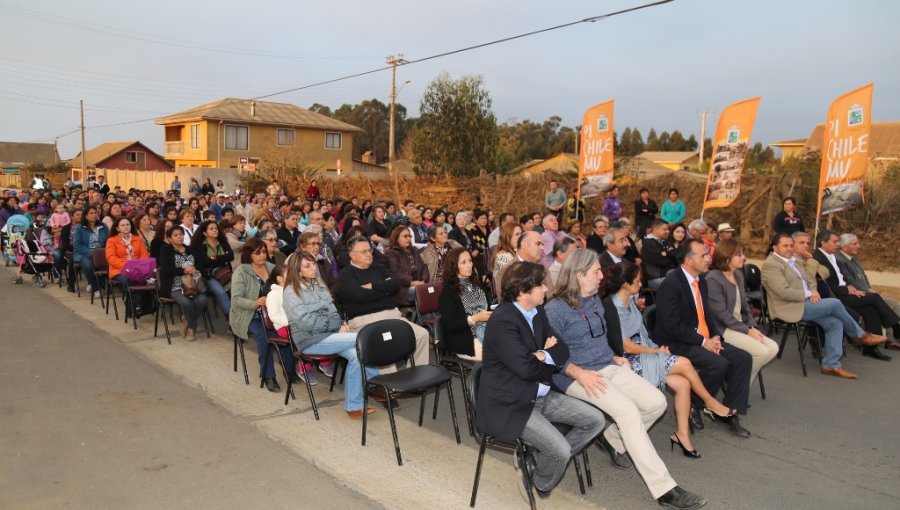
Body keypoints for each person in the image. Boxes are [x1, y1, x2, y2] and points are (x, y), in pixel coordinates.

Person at [542, 253, 708, 509]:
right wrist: (577, 373)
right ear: (579, 275)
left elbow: (601, 338)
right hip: (577, 376)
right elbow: (547, 354)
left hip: (607, 365)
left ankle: (611, 438)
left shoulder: (595, 301)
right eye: (596, 272)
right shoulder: (555, 309)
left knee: (656, 403)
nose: (601, 276)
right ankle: (665, 489)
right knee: (629, 413)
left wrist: (615, 357)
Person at [476, 261, 607, 502]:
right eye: (541, 285)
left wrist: (540, 355)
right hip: (513, 401)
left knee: (596, 421)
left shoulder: (538, 312)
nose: (547, 289)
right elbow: (526, 369)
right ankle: (538, 478)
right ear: (523, 290)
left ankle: (536, 463)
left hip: (542, 394)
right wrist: (544, 354)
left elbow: (563, 351)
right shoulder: (503, 321)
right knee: (561, 451)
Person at [602, 260, 735, 459]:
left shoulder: (629, 300)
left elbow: (640, 332)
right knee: (685, 363)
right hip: (629, 359)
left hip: (644, 350)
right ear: (625, 284)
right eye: (637, 281)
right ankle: (710, 403)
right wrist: (653, 352)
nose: (641, 284)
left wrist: (654, 348)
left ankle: (682, 434)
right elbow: (625, 346)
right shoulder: (611, 307)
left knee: (682, 384)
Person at [654, 239, 753, 436]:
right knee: (718, 363)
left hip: (702, 339)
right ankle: (696, 405)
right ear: (689, 260)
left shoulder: (701, 281)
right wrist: (703, 342)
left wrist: (715, 337)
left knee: (743, 358)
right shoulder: (671, 284)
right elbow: (671, 326)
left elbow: (707, 316)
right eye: (704, 255)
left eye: (708, 254)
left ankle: (729, 411)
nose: (709, 258)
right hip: (676, 342)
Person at [760, 233, 883, 379]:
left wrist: (812, 290)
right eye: (785, 246)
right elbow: (782, 292)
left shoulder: (794, 260)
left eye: (791, 245)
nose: (789, 248)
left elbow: (810, 279)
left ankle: (831, 364)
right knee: (835, 303)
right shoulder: (771, 265)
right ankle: (859, 335)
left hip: (805, 303)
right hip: (789, 307)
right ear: (775, 247)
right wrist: (807, 294)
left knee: (835, 322)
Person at [281, 252, 380, 417]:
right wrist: (335, 326)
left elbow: (333, 310)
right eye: (308, 266)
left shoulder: (318, 284)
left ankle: (354, 407)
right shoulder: (291, 292)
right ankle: (376, 385)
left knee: (358, 355)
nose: (314, 268)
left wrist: (340, 324)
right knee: (364, 339)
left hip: (330, 336)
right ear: (298, 271)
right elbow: (307, 322)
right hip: (309, 340)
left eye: (313, 264)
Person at [336, 236, 430, 372]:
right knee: (386, 344)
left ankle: (418, 375)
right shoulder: (346, 275)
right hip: (366, 321)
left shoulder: (378, 267)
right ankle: (387, 387)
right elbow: (358, 295)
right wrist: (383, 290)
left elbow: (395, 284)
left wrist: (372, 286)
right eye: (364, 252)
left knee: (422, 334)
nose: (369, 254)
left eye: (370, 250)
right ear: (352, 255)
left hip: (392, 316)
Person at [813, 230, 899, 360]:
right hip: (835, 298)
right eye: (835, 241)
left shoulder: (832, 256)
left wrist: (850, 288)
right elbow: (826, 286)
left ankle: (870, 349)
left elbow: (841, 279)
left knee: (871, 310)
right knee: (874, 298)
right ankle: (896, 326)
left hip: (845, 292)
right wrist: (847, 290)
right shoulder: (817, 258)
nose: (838, 244)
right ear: (823, 243)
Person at [705, 239, 778, 387]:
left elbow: (745, 308)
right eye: (739, 254)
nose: (743, 257)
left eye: (743, 254)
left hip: (739, 326)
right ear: (726, 257)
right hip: (723, 329)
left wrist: (753, 328)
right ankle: (739, 387)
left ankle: (738, 384)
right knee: (762, 352)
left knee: (773, 348)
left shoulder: (738, 274)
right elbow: (721, 315)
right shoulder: (713, 278)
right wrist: (747, 331)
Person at [229, 238, 294, 392]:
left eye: (264, 252)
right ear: (249, 255)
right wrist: (255, 302)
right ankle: (268, 375)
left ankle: (289, 370)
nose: (262, 255)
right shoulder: (242, 271)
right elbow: (236, 299)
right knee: (265, 335)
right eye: (257, 253)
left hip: (271, 313)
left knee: (285, 331)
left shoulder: (271, 268)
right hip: (248, 314)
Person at [836, 233, 900, 347]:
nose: (858, 246)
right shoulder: (839, 260)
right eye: (854, 244)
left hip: (867, 290)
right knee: (890, 304)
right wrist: (868, 291)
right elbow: (849, 281)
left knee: (894, 303)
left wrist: (870, 288)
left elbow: (864, 277)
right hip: (856, 293)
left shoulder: (854, 257)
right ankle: (892, 337)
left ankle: (892, 336)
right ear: (844, 246)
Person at [438, 248, 492, 360]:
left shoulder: (476, 285)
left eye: (470, 261)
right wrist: (474, 319)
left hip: (487, 332)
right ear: (454, 266)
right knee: (501, 354)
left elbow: (488, 307)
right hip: (466, 339)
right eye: (463, 262)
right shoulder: (448, 292)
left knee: (513, 344)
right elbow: (450, 325)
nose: (469, 265)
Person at [158, 225, 208, 341]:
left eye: (180, 234)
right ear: (169, 239)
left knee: (203, 300)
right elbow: (165, 269)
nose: (179, 237)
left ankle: (186, 318)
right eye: (175, 235)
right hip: (174, 285)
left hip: (194, 285)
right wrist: (183, 270)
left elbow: (201, 265)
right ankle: (192, 328)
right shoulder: (166, 250)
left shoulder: (191, 249)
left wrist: (195, 268)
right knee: (187, 303)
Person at [191, 220, 234, 316]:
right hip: (208, 275)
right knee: (221, 292)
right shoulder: (199, 246)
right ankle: (232, 320)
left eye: (216, 228)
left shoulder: (222, 242)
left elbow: (231, 256)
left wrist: (216, 258)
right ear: (204, 233)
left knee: (236, 290)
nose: (215, 230)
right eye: (211, 229)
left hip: (224, 272)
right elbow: (204, 262)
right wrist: (222, 258)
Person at [385, 225, 429, 306]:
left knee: (434, 290)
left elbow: (424, 267)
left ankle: (432, 318)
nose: (409, 238)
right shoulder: (391, 253)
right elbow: (395, 274)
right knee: (425, 293)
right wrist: (411, 282)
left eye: (410, 236)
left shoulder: (414, 250)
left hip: (420, 284)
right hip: (402, 289)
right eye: (405, 236)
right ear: (396, 238)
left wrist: (423, 280)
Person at [73, 205, 109, 298]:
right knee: (88, 265)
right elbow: (77, 245)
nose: (94, 215)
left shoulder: (103, 226)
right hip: (83, 253)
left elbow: (108, 241)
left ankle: (92, 282)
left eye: (96, 213)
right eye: (91, 213)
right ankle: (96, 287)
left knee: (106, 264)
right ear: (86, 216)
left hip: (100, 252)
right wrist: (91, 253)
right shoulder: (79, 227)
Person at [105, 216, 150, 290]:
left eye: (127, 225)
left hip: (138, 269)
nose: (126, 227)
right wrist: (128, 266)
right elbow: (111, 258)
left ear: (131, 226)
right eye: (122, 225)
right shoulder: (111, 240)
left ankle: (142, 301)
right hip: (119, 270)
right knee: (130, 280)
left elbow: (144, 254)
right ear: (117, 228)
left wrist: (138, 266)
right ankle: (131, 301)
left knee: (146, 280)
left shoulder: (138, 239)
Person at [641, 219, 677, 288]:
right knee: (680, 280)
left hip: (667, 273)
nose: (668, 231)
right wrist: (669, 253)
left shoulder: (664, 241)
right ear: (655, 229)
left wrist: (666, 254)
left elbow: (675, 256)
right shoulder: (648, 244)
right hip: (656, 278)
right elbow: (662, 261)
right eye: (665, 229)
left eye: (668, 229)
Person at [490, 222, 522, 297]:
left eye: (521, 234)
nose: (520, 237)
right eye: (517, 234)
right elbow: (515, 282)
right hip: (509, 297)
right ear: (507, 237)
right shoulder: (503, 256)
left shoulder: (516, 252)